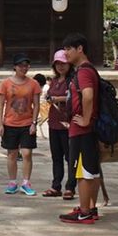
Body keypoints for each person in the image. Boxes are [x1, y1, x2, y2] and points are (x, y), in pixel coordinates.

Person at [59, 34, 104, 224]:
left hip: (82, 130)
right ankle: (91, 207)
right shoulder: (90, 70)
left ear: (80, 49)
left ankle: (84, 211)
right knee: (91, 171)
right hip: (88, 129)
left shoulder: (84, 72)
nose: (65, 53)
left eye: (69, 49)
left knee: (82, 172)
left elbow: (87, 95)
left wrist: (85, 119)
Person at [0, 54, 39, 196]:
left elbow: (37, 104)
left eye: (26, 65)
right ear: (14, 67)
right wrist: (0, 124)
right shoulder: (6, 84)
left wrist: (34, 122)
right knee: (12, 154)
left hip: (27, 123)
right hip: (10, 123)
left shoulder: (33, 84)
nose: (24, 68)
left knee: (27, 153)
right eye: (21, 65)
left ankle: (26, 182)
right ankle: (12, 182)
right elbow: (1, 104)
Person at [42, 50, 76, 200]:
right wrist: (50, 98)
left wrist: (59, 98)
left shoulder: (73, 80)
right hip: (54, 121)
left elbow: (74, 97)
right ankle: (56, 185)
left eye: (63, 63)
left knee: (70, 157)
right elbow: (49, 95)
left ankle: (70, 186)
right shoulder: (55, 81)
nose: (61, 67)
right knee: (56, 157)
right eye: (58, 64)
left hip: (67, 123)